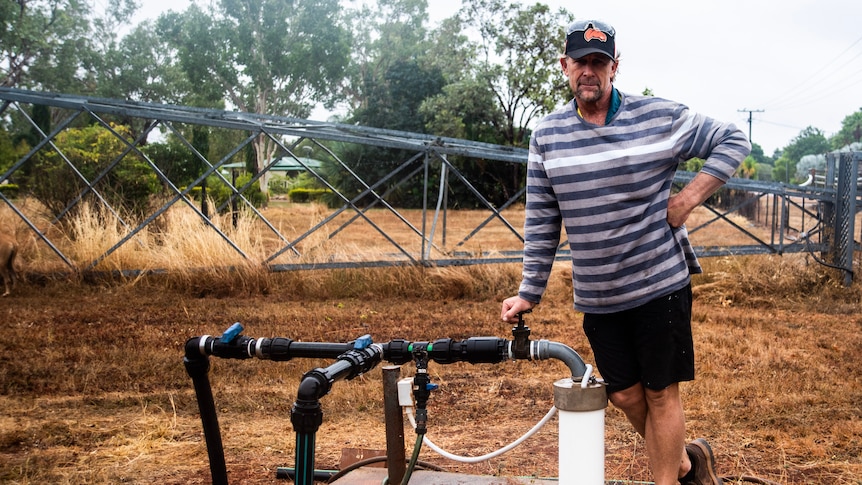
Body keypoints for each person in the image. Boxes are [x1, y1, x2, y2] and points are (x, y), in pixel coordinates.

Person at [500, 19, 750, 485]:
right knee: (625, 397)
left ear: (615, 67)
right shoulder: (547, 136)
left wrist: (687, 198)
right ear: (565, 66)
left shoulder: (659, 117)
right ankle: (685, 463)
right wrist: (528, 290)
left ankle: (667, 480)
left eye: (599, 62)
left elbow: (733, 139)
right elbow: (541, 221)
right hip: (598, 295)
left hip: (659, 283)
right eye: (580, 62)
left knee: (660, 394)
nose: (589, 72)